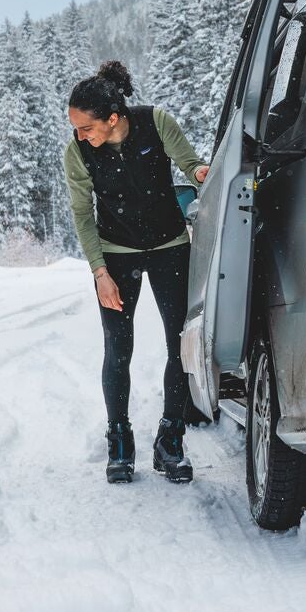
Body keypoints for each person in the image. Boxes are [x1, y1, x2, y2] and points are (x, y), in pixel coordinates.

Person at [64, 60, 210, 485]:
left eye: (86, 128)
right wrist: (99, 271)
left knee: (179, 346)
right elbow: (81, 214)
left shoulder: (155, 123)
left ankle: (170, 440)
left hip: (170, 247)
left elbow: (190, 164)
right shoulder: (77, 154)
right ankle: (120, 439)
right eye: (74, 128)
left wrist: (202, 173)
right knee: (118, 347)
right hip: (116, 253)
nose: (80, 136)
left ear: (113, 119)